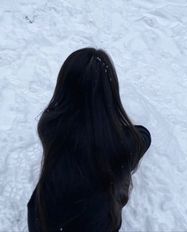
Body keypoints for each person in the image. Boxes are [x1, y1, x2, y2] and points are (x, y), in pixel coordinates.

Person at [27, 47, 151, 232]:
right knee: (119, 171)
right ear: (110, 95)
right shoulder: (123, 143)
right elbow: (145, 136)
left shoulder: (49, 125)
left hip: (41, 220)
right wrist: (116, 127)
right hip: (98, 226)